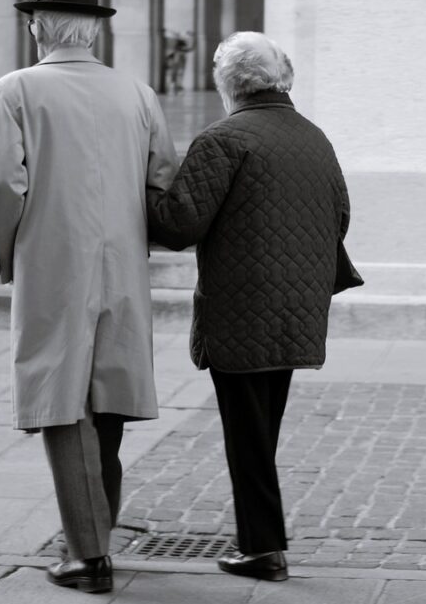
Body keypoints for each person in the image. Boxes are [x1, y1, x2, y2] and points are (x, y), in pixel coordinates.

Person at [0, 0, 178, 594]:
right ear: (91, 29)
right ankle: (94, 536)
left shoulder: (14, 90)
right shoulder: (138, 93)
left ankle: (88, 556)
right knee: (107, 399)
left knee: (62, 403)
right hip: (121, 263)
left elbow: (1, 186)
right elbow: (163, 178)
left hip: (53, 263)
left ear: (39, 25)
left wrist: (7, 253)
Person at [146, 31, 352, 582]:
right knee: (261, 427)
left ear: (226, 83)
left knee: (248, 432)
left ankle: (263, 549)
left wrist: (145, 186)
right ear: (283, 80)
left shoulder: (223, 139)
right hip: (297, 307)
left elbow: (176, 225)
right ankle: (258, 542)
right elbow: (341, 216)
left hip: (241, 308)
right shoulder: (314, 137)